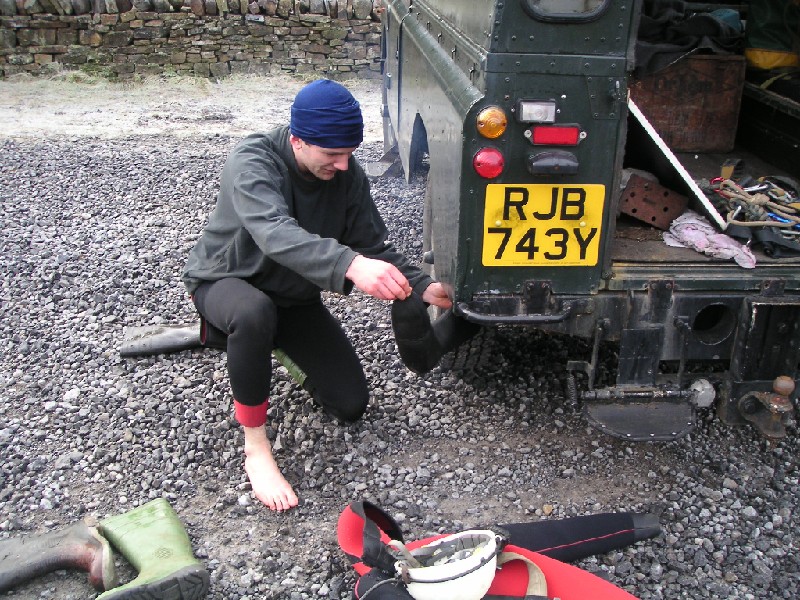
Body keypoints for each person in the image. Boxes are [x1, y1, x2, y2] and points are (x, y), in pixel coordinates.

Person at [181, 79, 451, 512]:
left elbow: (374, 246)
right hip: (227, 281)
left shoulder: (347, 174)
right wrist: (350, 266)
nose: (344, 166)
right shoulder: (253, 160)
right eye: (332, 155)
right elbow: (273, 232)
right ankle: (256, 449)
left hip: (292, 298)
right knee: (252, 314)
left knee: (350, 403)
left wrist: (424, 286)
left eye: (350, 154)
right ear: (298, 140)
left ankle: (267, 345)